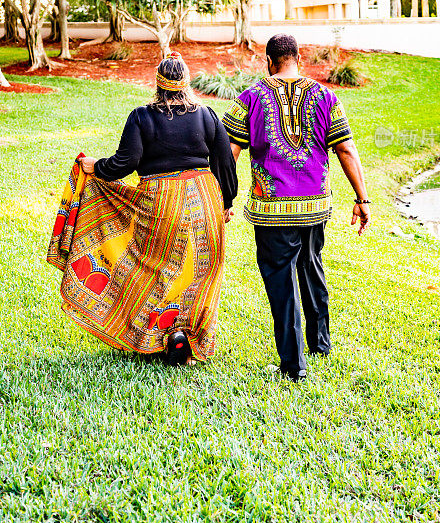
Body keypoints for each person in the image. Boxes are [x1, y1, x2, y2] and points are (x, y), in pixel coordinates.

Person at [47, 52, 237, 366]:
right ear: (187, 83)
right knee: (200, 274)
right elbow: (225, 166)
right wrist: (226, 203)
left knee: (150, 266)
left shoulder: (141, 117)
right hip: (205, 199)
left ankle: (150, 337)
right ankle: (187, 342)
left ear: (158, 84)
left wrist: (97, 166)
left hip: (161, 199)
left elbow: (125, 163)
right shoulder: (208, 115)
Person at [222, 34, 370, 381]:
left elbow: (229, 153)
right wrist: (362, 200)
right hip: (315, 207)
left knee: (281, 281)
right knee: (311, 266)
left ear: (268, 61)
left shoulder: (249, 99)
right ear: (298, 58)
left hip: (272, 210)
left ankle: (293, 365)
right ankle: (320, 343)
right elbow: (346, 150)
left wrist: (225, 199)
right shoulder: (326, 97)